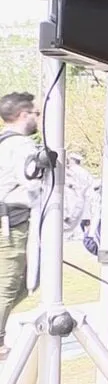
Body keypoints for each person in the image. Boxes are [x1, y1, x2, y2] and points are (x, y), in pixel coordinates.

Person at [0, 93, 41, 360]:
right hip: (12, 221)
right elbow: (32, 181)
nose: (38, 118)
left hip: (8, 217)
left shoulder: (4, 142)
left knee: (19, 281)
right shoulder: (21, 145)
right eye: (35, 114)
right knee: (12, 282)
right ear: (23, 115)